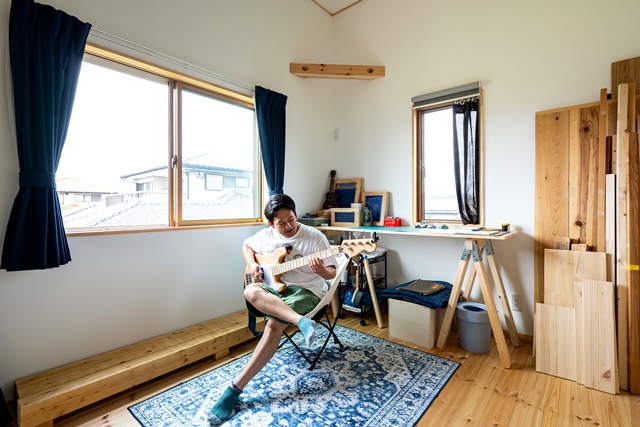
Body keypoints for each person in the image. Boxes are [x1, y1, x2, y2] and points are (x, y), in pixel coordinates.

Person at [208, 193, 337, 425]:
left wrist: (321, 271)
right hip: (276, 290)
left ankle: (234, 389)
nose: (289, 226)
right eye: (281, 223)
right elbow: (247, 245)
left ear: (295, 214)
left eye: (291, 219)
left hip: (307, 291)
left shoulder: (315, 237)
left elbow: (331, 272)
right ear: (271, 224)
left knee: (274, 324)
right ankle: (300, 321)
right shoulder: (265, 236)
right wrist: (252, 263)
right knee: (250, 291)